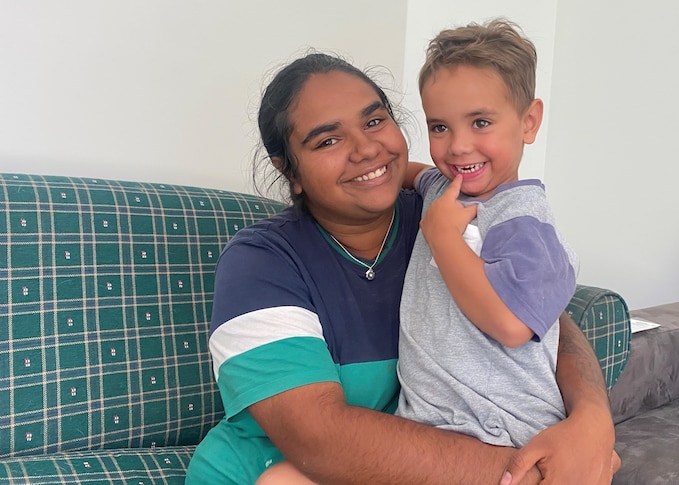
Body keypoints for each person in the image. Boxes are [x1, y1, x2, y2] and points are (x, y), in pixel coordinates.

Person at [185, 51, 618, 485]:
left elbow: (540, 313)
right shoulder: (262, 261)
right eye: (328, 141)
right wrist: (535, 473)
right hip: (271, 474)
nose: (368, 148)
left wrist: (592, 421)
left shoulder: (442, 216)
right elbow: (321, 440)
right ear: (290, 171)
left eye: (374, 122)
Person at [396, 18, 578, 450]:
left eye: (480, 123)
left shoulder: (524, 221)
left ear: (529, 122)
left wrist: (442, 237)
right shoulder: (443, 187)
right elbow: (412, 174)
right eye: (440, 127)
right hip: (429, 421)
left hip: (500, 428)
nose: (457, 146)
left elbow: (512, 325)